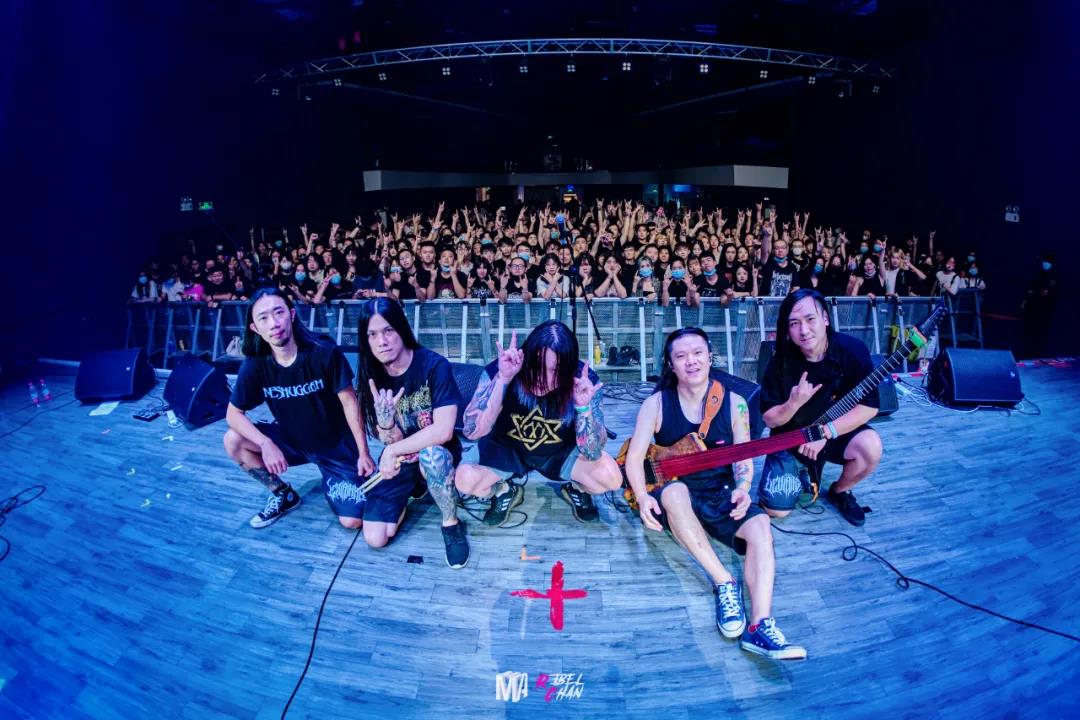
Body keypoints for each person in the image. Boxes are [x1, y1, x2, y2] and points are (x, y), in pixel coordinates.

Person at [624, 328, 806, 660]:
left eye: (698, 353)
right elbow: (634, 458)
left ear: (710, 357)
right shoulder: (656, 404)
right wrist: (643, 495)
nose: (691, 361)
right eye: (681, 356)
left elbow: (743, 457)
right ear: (671, 364)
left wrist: (743, 489)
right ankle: (724, 582)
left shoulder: (735, 404)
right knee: (674, 492)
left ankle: (760, 627)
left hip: (720, 490)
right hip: (677, 490)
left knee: (761, 526)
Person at [223, 288, 377, 533]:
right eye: (263, 318)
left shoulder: (323, 350)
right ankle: (283, 494)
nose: (274, 323)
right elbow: (233, 414)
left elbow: (350, 402)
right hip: (292, 441)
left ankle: (343, 477)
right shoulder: (255, 365)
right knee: (233, 440)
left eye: (279, 313)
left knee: (353, 520)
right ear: (255, 328)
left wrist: (363, 452)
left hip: (334, 447)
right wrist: (265, 443)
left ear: (292, 315)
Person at [455, 321, 623, 527]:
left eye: (555, 370)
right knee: (465, 480)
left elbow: (593, 452)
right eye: (536, 367)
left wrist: (583, 408)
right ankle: (503, 491)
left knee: (610, 478)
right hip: (508, 449)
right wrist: (503, 380)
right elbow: (472, 432)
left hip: (559, 452)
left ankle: (576, 489)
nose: (543, 378)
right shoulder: (503, 369)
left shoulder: (582, 381)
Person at [354, 298, 470, 567]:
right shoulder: (371, 373)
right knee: (376, 537)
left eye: (388, 330)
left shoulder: (433, 365)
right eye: (372, 334)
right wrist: (386, 424)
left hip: (437, 454)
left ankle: (451, 523)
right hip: (401, 458)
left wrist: (392, 450)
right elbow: (389, 439)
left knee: (432, 456)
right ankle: (413, 489)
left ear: (402, 329)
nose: (382, 341)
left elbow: (443, 431)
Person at [758, 289, 883, 526]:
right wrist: (793, 404)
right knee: (776, 510)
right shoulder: (780, 359)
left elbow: (869, 407)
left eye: (810, 319)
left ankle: (840, 491)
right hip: (793, 437)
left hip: (835, 431)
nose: (804, 330)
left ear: (825, 318)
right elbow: (769, 419)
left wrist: (825, 433)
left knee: (870, 447)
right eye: (794, 323)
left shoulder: (853, 350)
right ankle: (800, 473)